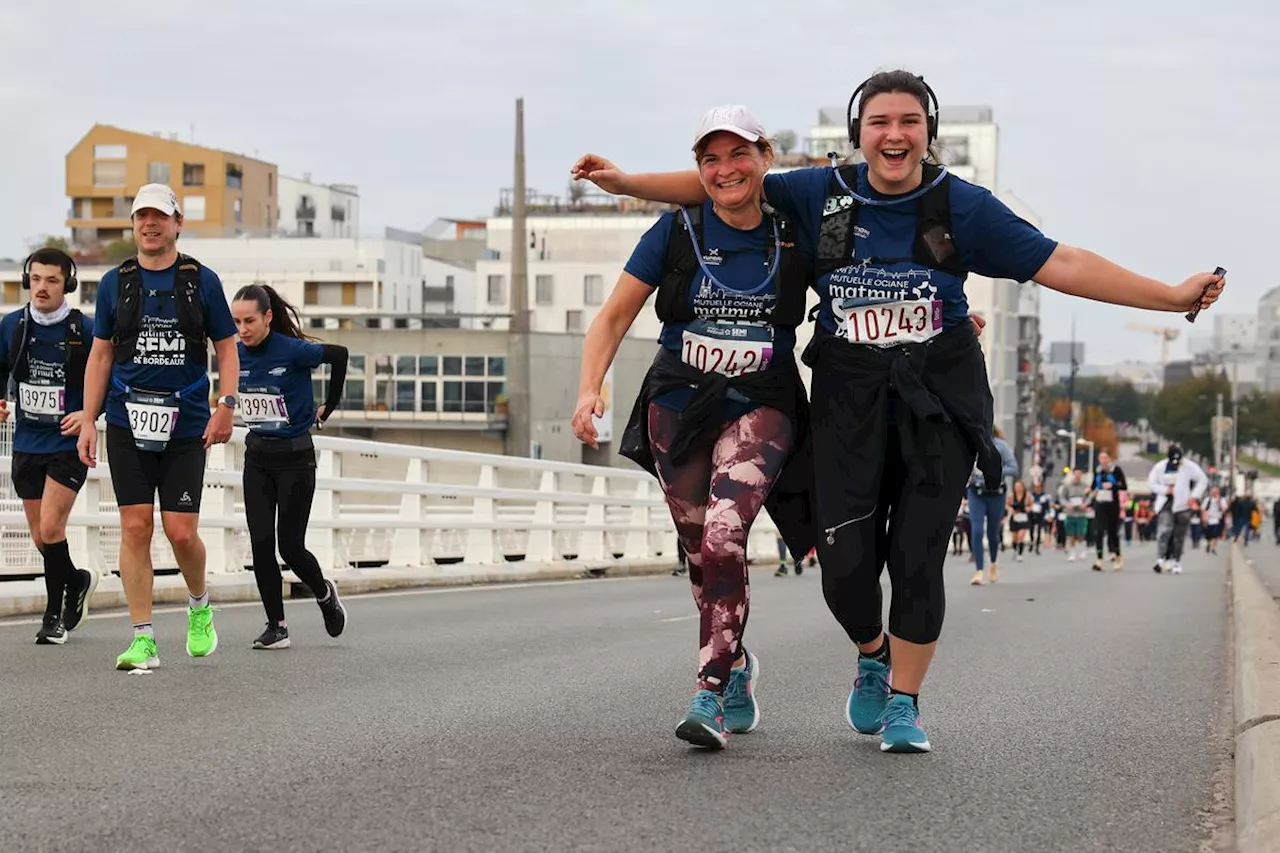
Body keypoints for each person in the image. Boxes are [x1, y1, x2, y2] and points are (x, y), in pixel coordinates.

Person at [570, 69, 1224, 753]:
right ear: (859, 134)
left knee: (917, 558)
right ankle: (873, 650)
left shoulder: (961, 206)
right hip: (848, 400)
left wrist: (1168, 296)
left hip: (937, 398)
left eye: (909, 121)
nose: (894, 134)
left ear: (927, 132)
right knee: (845, 563)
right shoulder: (818, 193)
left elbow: (1063, 261)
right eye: (880, 122)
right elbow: (722, 183)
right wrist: (626, 184)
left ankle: (906, 703)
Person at [570, 106, 817, 750]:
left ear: (765, 157)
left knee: (724, 531)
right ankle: (735, 658)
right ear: (697, 168)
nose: (725, 169)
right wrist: (588, 389)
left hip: (760, 401)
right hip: (677, 403)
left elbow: (858, 281)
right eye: (710, 159)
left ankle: (707, 688)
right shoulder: (675, 230)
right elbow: (614, 315)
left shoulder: (795, 229)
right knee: (698, 550)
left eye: (739, 154)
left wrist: (952, 319)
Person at [77, 184, 239, 671]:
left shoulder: (201, 280)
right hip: (127, 418)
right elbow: (100, 353)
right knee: (135, 525)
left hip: (187, 422)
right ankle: (142, 636)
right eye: (141, 217)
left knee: (181, 532)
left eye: (159, 217)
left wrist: (226, 404)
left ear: (177, 223)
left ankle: (198, 606)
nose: (149, 224)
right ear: (133, 225)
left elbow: (227, 347)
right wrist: (88, 418)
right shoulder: (114, 282)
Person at [231, 284, 349, 650]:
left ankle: (324, 593)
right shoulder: (234, 354)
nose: (243, 329)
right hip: (257, 458)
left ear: (267, 317)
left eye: (250, 320)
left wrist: (329, 406)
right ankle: (276, 626)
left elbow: (340, 354)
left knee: (291, 547)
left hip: (296, 457)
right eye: (237, 322)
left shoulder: (293, 350)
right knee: (261, 544)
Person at [0, 248, 97, 643]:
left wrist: (90, 415)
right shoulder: (12, 326)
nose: (42, 287)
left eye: (52, 280)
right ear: (27, 280)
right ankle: (76, 580)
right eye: (36, 279)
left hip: (66, 444)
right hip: (26, 442)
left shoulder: (84, 330)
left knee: (52, 526)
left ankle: (52, 616)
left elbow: (106, 375)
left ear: (67, 285)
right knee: (42, 537)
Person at [967, 427, 1019, 585]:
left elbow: (1014, 468)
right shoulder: (971, 445)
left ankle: (994, 563)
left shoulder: (1001, 446)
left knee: (993, 533)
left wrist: (996, 471)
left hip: (996, 493)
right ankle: (979, 570)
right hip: (976, 493)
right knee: (976, 530)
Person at [1147, 444, 1207, 574]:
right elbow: (1152, 483)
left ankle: (1176, 561)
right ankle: (1161, 558)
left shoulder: (1188, 466)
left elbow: (1202, 480)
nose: (1177, 464)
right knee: (1164, 531)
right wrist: (1165, 490)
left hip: (1183, 504)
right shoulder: (1160, 467)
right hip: (1166, 503)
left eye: (1178, 461)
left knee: (1179, 535)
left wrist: (1194, 496)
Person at [1089, 450, 1127, 571]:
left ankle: (1117, 556)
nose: (1103, 461)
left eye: (1105, 458)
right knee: (1099, 531)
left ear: (1109, 459)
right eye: (1101, 458)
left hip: (1112, 503)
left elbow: (1124, 486)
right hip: (1100, 502)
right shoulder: (1097, 470)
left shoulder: (1116, 470)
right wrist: (1089, 490)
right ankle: (1099, 559)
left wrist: (1113, 485)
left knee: (1112, 532)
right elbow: (1094, 484)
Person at [1058, 468, 1091, 561]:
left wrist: (1085, 504)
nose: (1077, 476)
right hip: (1070, 512)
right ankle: (1072, 551)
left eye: (1079, 475)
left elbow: (1089, 497)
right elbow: (1062, 498)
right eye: (1076, 474)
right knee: (1071, 534)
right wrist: (1067, 504)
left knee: (1081, 533)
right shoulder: (1067, 486)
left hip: (1081, 513)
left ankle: (1082, 548)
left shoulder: (1085, 486)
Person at [1006, 480, 1033, 562]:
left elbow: (1031, 505)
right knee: (1014, 537)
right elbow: (1007, 505)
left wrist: (1028, 508)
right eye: (1016, 487)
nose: (1018, 489)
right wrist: (1010, 509)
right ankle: (1015, 550)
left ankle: (1020, 554)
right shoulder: (1011, 496)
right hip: (1014, 517)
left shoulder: (1027, 496)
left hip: (1023, 517)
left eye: (1019, 487)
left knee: (1021, 536)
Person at [1202, 486, 1227, 554]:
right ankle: (1209, 544)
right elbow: (1203, 509)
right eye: (1213, 492)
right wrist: (1204, 518)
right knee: (1209, 535)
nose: (1215, 493)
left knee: (1215, 535)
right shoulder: (1207, 500)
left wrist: (1219, 502)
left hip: (1217, 519)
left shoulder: (1222, 500)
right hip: (1209, 519)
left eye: (1216, 492)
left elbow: (1224, 509)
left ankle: (1213, 548)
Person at [1028, 480, 1049, 555]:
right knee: (1031, 530)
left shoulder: (1044, 496)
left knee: (1039, 531)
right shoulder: (1031, 495)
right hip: (1032, 514)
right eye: (1036, 487)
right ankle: (1031, 541)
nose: (1037, 489)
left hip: (1040, 515)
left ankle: (1037, 547)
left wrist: (1046, 513)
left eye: (1039, 487)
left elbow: (1047, 506)